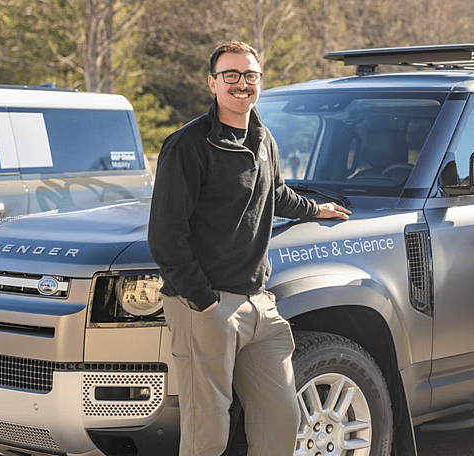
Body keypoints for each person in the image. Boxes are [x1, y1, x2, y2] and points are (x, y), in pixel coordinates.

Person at [148, 41, 351, 456]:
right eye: (231, 75)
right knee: (207, 433)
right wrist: (204, 301)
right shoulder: (188, 145)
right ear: (213, 83)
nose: (242, 83)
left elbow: (274, 193)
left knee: (282, 418)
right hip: (206, 306)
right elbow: (166, 236)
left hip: (260, 303)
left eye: (250, 75)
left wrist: (317, 209)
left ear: (259, 80)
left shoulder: (262, 137)